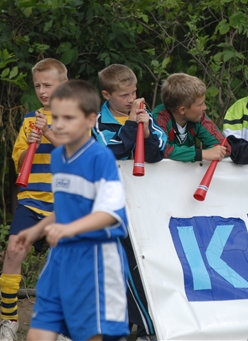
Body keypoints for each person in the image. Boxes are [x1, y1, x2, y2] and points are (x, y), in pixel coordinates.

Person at [11, 80, 129, 341]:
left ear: (90, 120)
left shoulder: (101, 158)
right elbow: (67, 207)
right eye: (56, 117)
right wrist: (36, 230)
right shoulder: (58, 157)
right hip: (60, 258)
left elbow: (111, 213)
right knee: (37, 333)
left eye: (69, 118)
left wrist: (69, 228)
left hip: (95, 260)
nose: (60, 124)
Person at [92, 64, 165, 341]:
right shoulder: (98, 121)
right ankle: (144, 329)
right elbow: (109, 152)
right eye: (124, 95)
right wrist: (132, 126)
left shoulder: (145, 115)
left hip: (145, 206)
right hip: (111, 208)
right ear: (106, 95)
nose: (132, 99)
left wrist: (146, 134)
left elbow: (158, 153)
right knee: (123, 269)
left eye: (134, 92)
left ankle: (141, 327)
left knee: (143, 266)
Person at [0, 59, 67, 341]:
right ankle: (9, 322)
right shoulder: (29, 119)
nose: (42, 91)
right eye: (38, 85)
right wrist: (32, 142)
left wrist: (48, 133)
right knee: (13, 252)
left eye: (48, 85)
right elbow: (20, 161)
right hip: (31, 200)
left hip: (63, 204)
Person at [153, 73, 230, 162]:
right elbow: (160, 149)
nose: (205, 107)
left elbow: (224, 147)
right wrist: (202, 154)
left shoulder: (198, 117)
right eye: (200, 104)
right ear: (182, 110)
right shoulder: (159, 118)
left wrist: (211, 152)